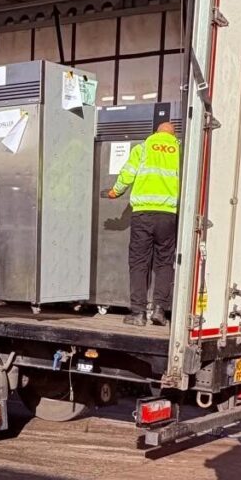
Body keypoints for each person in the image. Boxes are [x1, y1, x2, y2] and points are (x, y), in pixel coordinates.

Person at [108, 122, 179, 327]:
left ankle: (138, 313)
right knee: (164, 262)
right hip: (168, 215)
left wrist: (115, 191)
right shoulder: (180, 151)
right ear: (173, 135)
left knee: (139, 263)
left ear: (156, 133)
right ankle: (159, 310)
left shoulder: (143, 147)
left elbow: (128, 174)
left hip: (143, 214)